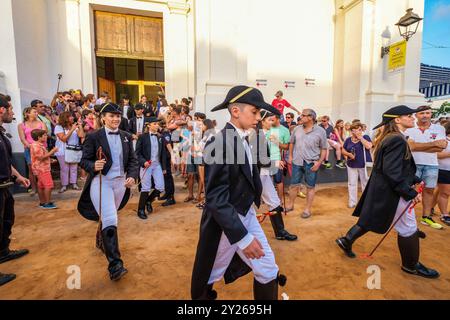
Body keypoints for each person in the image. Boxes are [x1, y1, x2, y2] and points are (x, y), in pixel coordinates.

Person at [191, 85, 286, 300]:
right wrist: (242, 238)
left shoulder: (248, 137)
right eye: (255, 112)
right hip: (225, 224)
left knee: (268, 268)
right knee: (211, 272)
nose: (259, 117)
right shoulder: (218, 142)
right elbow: (215, 198)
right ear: (236, 111)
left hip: (246, 214)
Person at [336, 105, 439, 279]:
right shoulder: (396, 139)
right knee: (408, 228)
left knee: (372, 219)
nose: (413, 118)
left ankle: (346, 240)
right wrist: (411, 193)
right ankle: (411, 265)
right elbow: (392, 172)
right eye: (408, 116)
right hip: (392, 190)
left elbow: (394, 167)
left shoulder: (391, 137)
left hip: (386, 188)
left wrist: (414, 180)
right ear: (397, 119)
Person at [77, 103, 138, 281]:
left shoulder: (126, 136)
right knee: (111, 218)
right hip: (101, 182)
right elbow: (84, 160)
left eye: (118, 116)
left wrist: (132, 176)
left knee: (107, 216)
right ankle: (115, 265)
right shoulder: (93, 136)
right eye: (111, 116)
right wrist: (93, 165)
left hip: (121, 184)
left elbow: (133, 161)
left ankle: (100, 238)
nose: (115, 119)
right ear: (103, 118)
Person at [0, 94, 31, 286]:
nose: (13, 113)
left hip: (5, 187)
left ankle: (3, 252)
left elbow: (6, 161)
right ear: (1, 110)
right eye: (10, 109)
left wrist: (18, 175)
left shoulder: (1, 133)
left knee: (6, 222)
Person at [256, 110, 297, 241]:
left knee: (274, 201)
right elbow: (257, 159)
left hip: (264, 174)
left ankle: (280, 232)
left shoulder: (265, 134)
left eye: (273, 120)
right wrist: (274, 162)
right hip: (255, 176)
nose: (272, 122)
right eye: (270, 120)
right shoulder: (256, 135)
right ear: (262, 121)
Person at [405, 105, 446, 229]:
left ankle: (426, 217)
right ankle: (406, 217)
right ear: (416, 115)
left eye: (428, 113)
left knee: (429, 190)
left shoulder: (439, 128)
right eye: (422, 113)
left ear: (431, 114)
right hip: (412, 164)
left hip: (432, 164)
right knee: (409, 190)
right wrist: (433, 145)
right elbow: (409, 147)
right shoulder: (410, 128)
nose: (425, 115)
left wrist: (417, 146)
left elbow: (441, 147)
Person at [286, 109, 327, 218]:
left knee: (310, 187)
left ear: (310, 118)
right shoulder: (296, 129)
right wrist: (290, 156)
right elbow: (291, 143)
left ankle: (307, 209)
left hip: (311, 163)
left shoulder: (321, 131)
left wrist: (319, 163)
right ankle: (290, 205)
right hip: (297, 161)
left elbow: (324, 148)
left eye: (303, 115)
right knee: (293, 185)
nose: (300, 117)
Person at [135, 117, 167, 219]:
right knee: (146, 187)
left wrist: (164, 167)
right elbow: (137, 153)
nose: (157, 126)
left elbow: (163, 153)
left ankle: (148, 201)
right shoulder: (142, 137)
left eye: (157, 124)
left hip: (157, 165)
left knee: (160, 186)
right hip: (146, 165)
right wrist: (143, 162)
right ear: (148, 125)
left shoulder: (160, 137)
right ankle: (140, 209)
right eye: (154, 124)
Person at [341, 123, 372, 208]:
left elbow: (369, 146)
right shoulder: (348, 140)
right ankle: (352, 202)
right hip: (351, 164)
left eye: (359, 129)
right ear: (351, 131)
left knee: (365, 183)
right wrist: (349, 154)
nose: (358, 131)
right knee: (352, 183)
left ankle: (366, 203)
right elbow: (343, 150)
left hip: (364, 164)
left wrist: (360, 137)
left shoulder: (365, 137)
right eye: (355, 130)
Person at [18, 107, 47, 195]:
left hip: (41, 148)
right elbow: (23, 139)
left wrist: (37, 146)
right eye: (34, 112)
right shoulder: (21, 125)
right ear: (27, 114)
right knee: (31, 169)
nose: (36, 113)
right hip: (29, 149)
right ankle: (34, 188)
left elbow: (44, 135)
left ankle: (43, 187)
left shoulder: (41, 123)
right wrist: (31, 147)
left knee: (42, 168)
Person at [54, 111, 85, 193]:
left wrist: (80, 126)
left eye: (72, 116)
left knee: (74, 168)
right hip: (62, 151)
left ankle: (74, 184)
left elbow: (81, 135)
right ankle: (64, 185)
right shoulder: (59, 127)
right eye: (70, 116)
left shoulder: (74, 126)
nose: (72, 118)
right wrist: (72, 129)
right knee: (64, 169)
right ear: (65, 118)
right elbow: (63, 139)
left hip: (73, 150)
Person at [30, 129, 58, 209]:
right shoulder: (36, 145)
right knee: (48, 185)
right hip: (42, 169)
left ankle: (43, 202)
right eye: (44, 135)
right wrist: (53, 151)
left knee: (41, 185)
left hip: (40, 168)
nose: (46, 137)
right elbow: (41, 157)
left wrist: (50, 160)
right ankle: (47, 203)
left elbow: (40, 157)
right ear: (39, 137)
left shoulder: (39, 145)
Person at [158, 119, 176, 207]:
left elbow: (168, 145)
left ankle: (171, 198)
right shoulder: (161, 132)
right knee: (165, 177)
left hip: (166, 158)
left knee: (168, 177)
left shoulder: (165, 133)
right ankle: (167, 194)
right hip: (163, 158)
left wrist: (172, 157)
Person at [436, 122, 450, 226]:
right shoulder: (444, 140)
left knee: (440, 191)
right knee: (445, 192)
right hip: (444, 169)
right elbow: (436, 154)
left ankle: (430, 208)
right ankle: (444, 215)